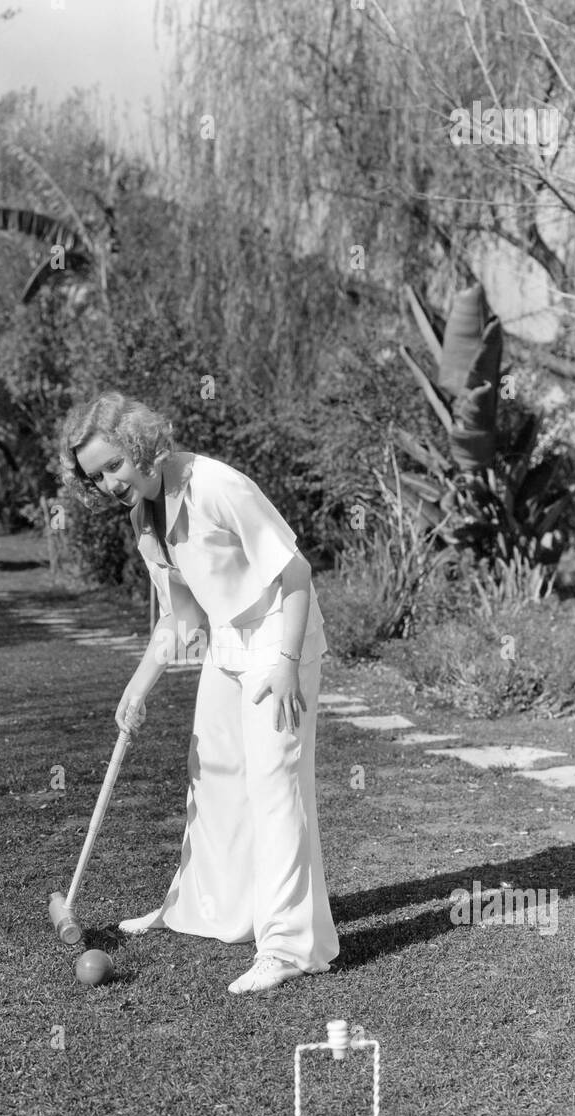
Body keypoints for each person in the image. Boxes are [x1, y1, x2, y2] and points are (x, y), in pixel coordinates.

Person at [58, 392, 339, 994]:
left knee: (274, 786)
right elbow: (182, 617)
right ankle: (209, 910)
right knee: (210, 772)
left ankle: (287, 946)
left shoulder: (216, 485)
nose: (108, 484)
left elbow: (296, 572)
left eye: (113, 466)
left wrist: (287, 664)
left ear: (139, 447)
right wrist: (138, 686)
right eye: (95, 476)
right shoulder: (145, 515)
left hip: (278, 638)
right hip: (228, 641)